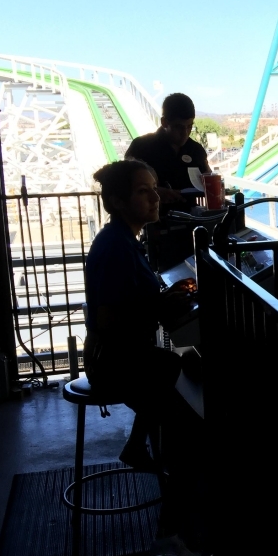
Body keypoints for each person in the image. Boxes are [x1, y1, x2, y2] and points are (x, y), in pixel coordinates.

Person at [83, 159, 196, 470]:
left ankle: (143, 450)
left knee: (171, 376)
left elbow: (129, 303)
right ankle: (177, 479)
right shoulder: (117, 248)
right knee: (177, 386)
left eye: (154, 190)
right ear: (118, 202)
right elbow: (110, 321)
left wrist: (161, 300)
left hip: (112, 356)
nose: (155, 198)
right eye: (144, 192)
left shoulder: (122, 240)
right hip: (111, 362)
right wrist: (160, 306)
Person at [125, 93, 213, 269]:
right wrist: (156, 192)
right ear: (164, 122)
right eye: (179, 127)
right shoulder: (142, 147)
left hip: (190, 226)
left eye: (189, 127)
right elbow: (125, 182)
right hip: (154, 227)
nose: (185, 133)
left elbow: (207, 177)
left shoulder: (195, 150)